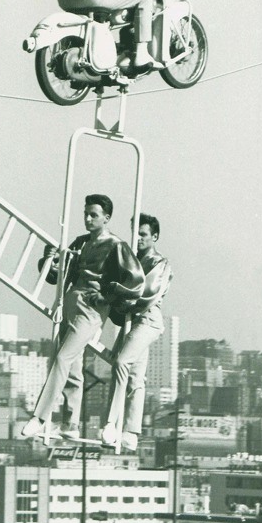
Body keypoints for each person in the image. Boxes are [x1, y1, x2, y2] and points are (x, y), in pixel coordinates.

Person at [21, 194, 144, 440]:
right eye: (86, 214)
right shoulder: (81, 242)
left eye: (94, 215)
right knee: (72, 365)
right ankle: (70, 423)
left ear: (106, 218)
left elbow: (135, 280)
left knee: (63, 359)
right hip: (70, 301)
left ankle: (40, 416)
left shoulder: (116, 245)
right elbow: (58, 271)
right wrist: (51, 259)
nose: (88, 219)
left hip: (91, 308)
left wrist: (107, 297)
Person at [101, 213, 173, 452]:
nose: (139, 239)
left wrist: (120, 296)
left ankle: (111, 422)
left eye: (143, 235)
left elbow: (147, 294)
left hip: (147, 320)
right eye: (136, 234)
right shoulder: (129, 258)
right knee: (134, 377)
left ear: (154, 236)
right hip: (130, 321)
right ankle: (131, 432)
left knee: (121, 362)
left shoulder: (160, 263)